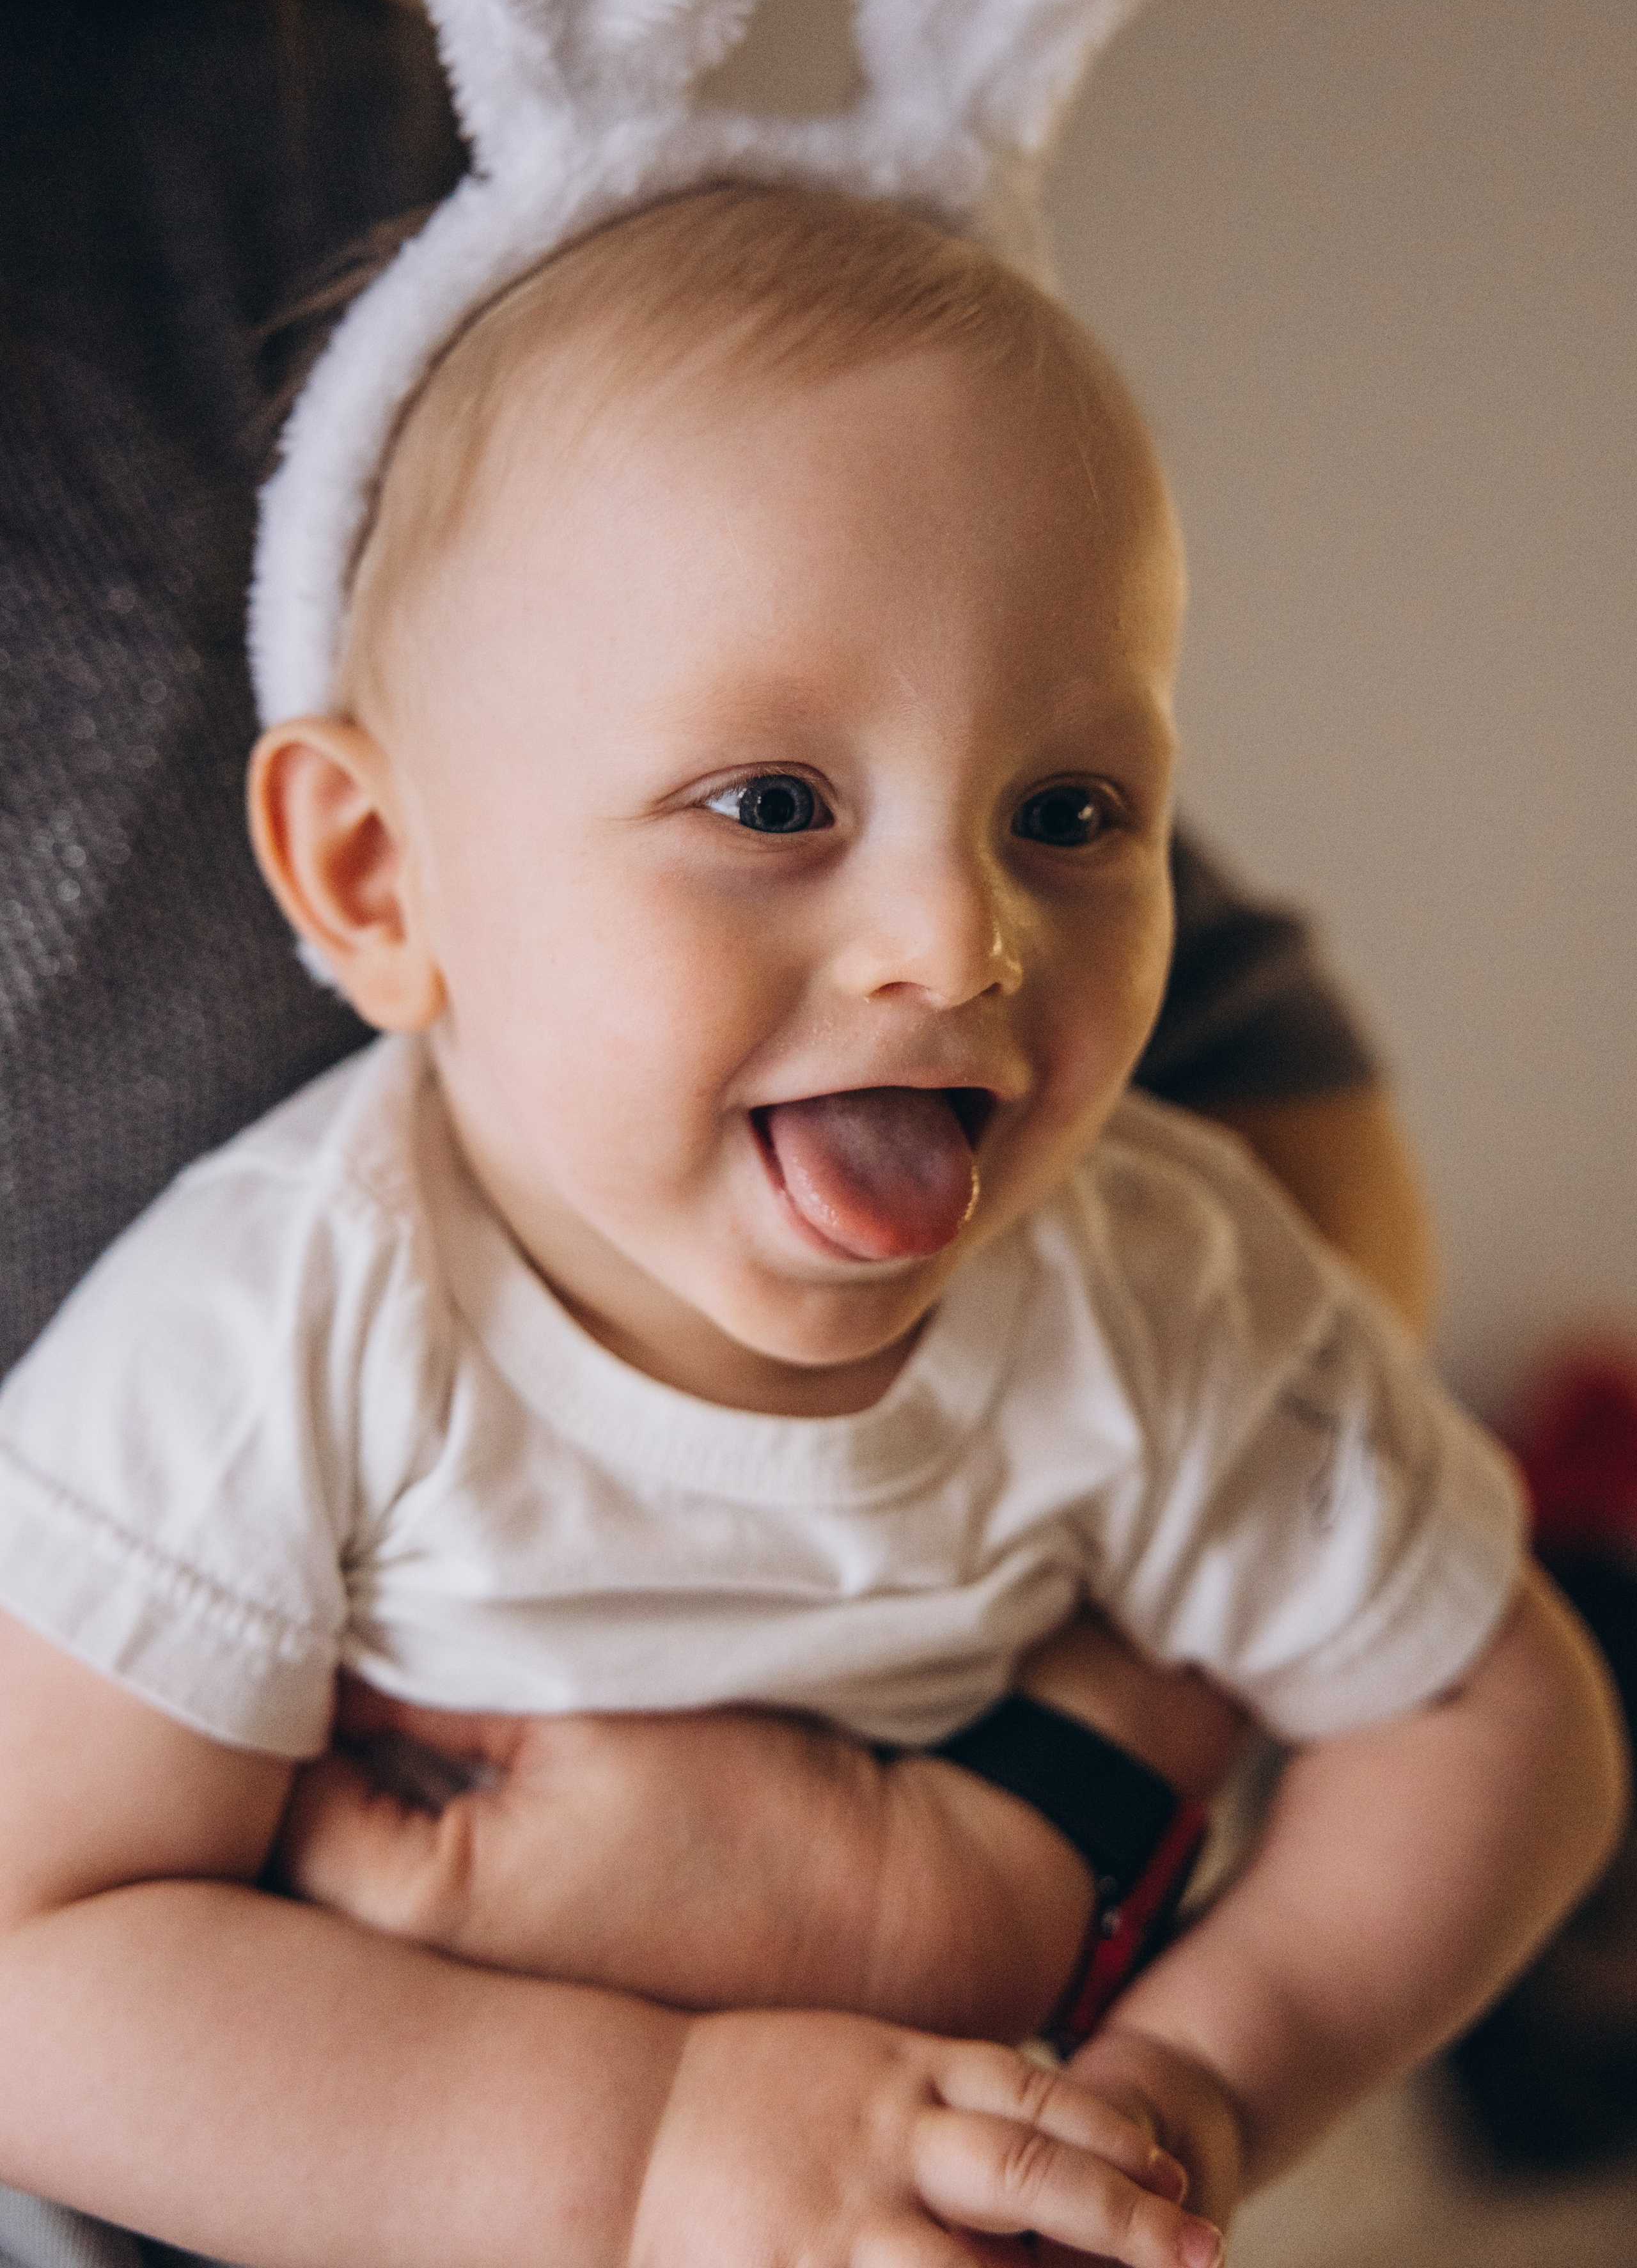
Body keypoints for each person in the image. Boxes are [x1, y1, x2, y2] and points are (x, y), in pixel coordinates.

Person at [0, 171, 1623, 2268]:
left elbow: (1498, 1716)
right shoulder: (276, 1341)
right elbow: (36, 1960)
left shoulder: (1158, 1291)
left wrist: (1207, 2075)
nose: (958, 937)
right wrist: (652, 2143)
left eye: (1069, 813)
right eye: (773, 805)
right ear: (380, 876)